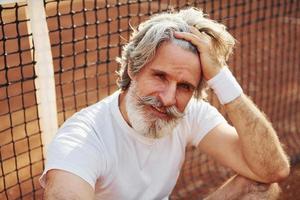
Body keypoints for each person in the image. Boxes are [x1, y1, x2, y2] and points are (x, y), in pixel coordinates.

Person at [40, 7, 290, 199]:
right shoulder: (83, 139)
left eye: (184, 87)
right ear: (132, 68)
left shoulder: (189, 114)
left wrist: (221, 77)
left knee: (259, 187)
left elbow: (272, 169)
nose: (168, 98)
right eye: (160, 76)